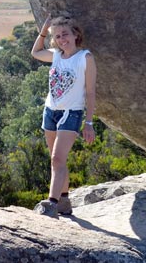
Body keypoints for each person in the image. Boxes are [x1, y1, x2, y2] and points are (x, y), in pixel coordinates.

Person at [30, 14, 96, 217]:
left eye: (65, 34)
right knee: (56, 160)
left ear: (76, 34)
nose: (61, 39)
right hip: (50, 111)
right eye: (57, 36)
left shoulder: (85, 58)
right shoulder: (56, 55)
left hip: (72, 113)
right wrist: (43, 31)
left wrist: (89, 122)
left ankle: (51, 203)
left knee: (58, 159)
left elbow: (90, 92)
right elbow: (35, 52)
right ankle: (64, 201)